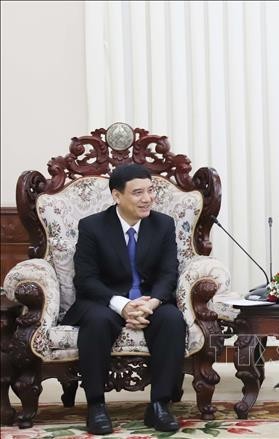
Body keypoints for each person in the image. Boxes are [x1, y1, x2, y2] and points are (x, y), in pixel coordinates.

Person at [62, 164, 185, 435]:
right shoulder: (92, 226)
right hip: (104, 301)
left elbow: (168, 273)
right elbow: (86, 279)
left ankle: (159, 406)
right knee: (96, 321)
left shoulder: (163, 224)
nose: (147, 198)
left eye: (151, 191)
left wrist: (151, 303)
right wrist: (123, 305)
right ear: (117, 196)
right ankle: (96, 406)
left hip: (149, 301)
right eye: (138, 193)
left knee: (172, 319)